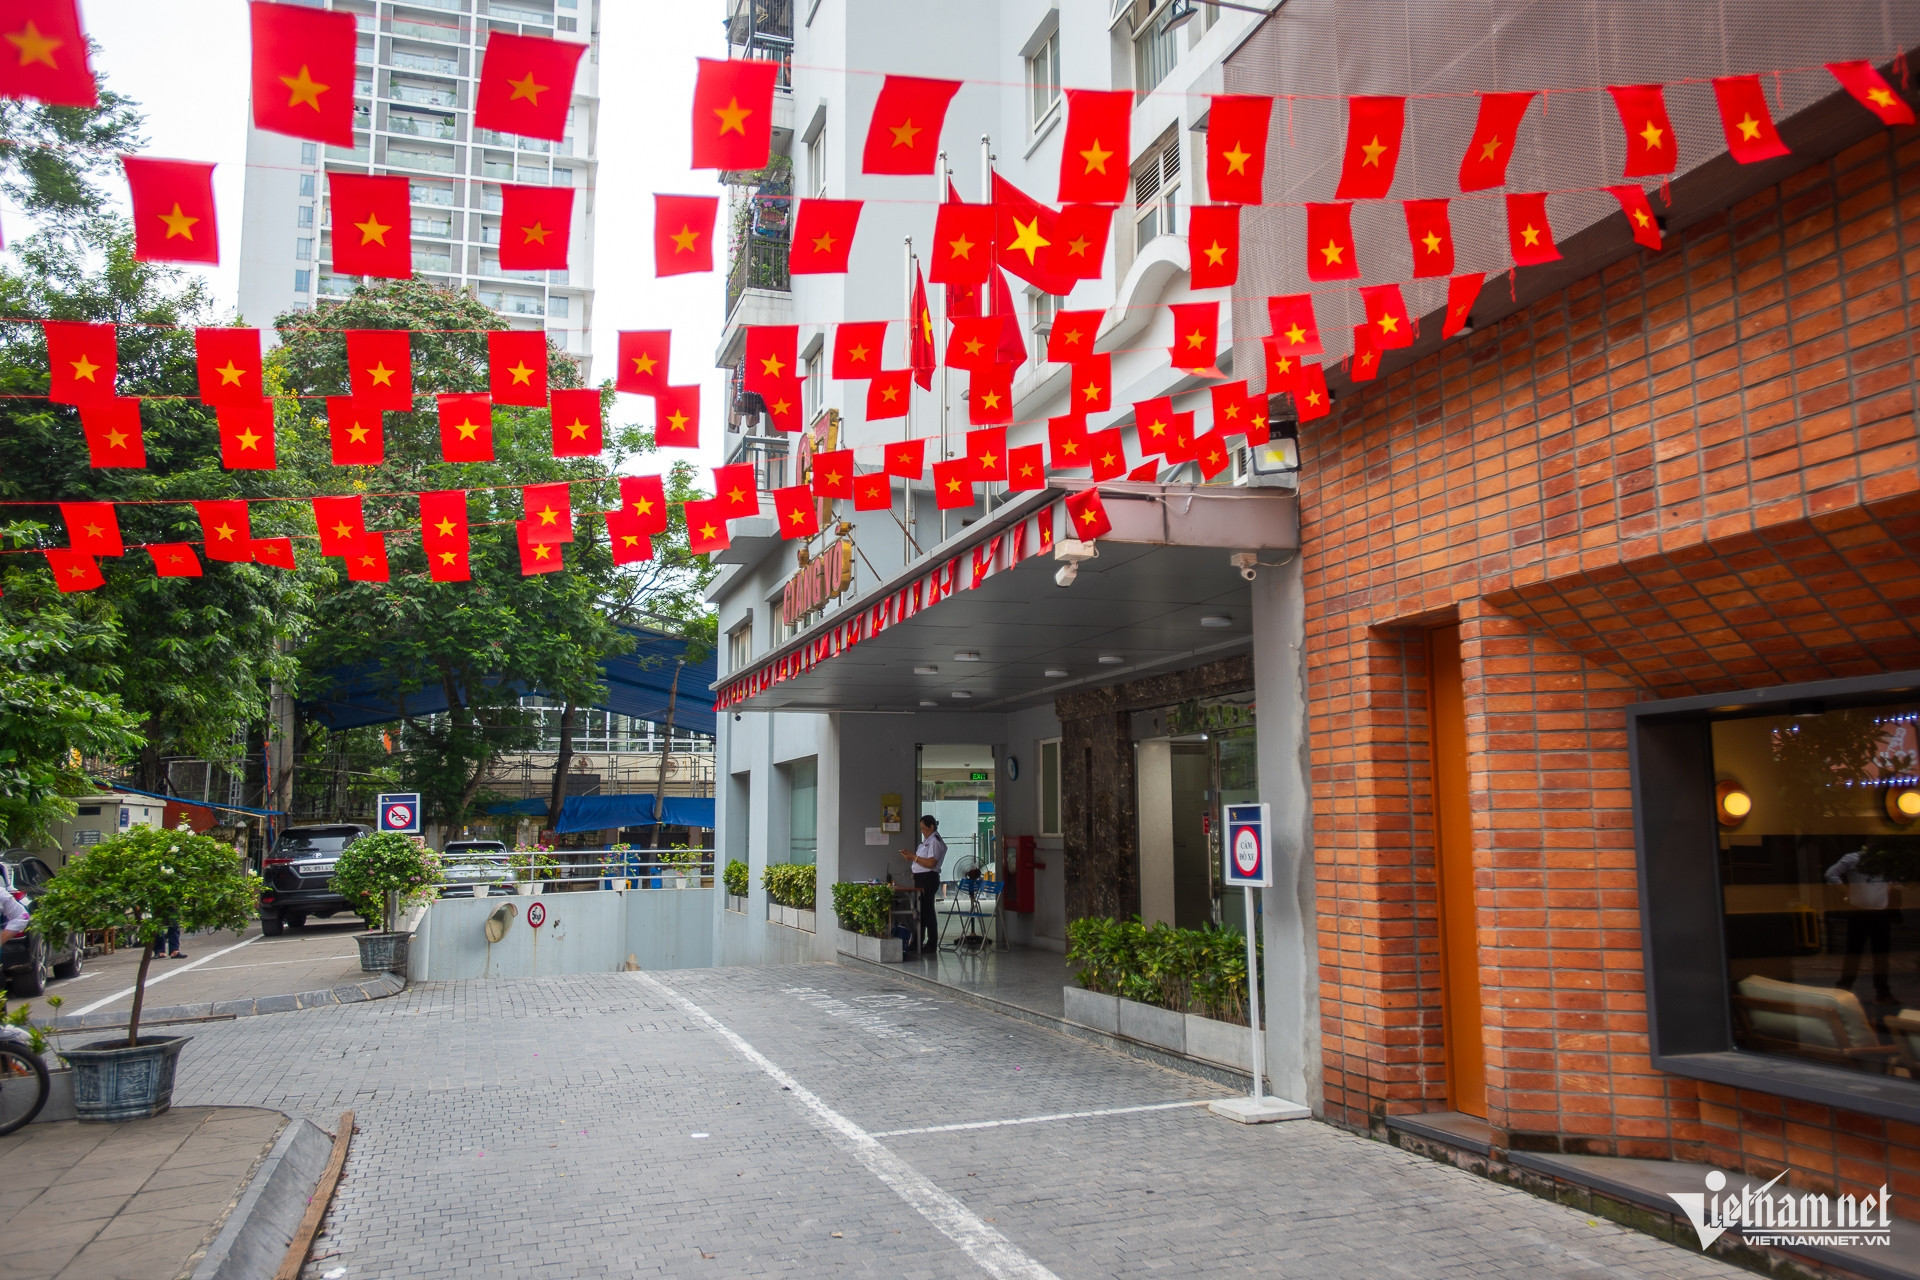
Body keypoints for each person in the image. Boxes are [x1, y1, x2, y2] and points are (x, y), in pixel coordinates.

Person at [1826, 845, 1898, 1004]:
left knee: (1878, 954)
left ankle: (1880, 991)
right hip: (1861, 911)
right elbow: (1831, 874)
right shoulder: (1853, 858)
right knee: (1855, 951)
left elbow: (1893, 878)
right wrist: (1847, 893)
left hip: (1878, 912)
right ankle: (1846, 987)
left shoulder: (1883, 861)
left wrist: (1883, 893)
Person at [899, 816, 947, 956]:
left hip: (928, 878)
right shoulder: (926, 842)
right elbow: (921, 861)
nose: (923, 831)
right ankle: (917, 941)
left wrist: (914, 857)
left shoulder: (934, 841)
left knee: (927, 911)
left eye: (924, 829)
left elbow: (931, 863)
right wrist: (911, 856)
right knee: (920, 910)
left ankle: (931, 943)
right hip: (920, 878)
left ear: (931, 827)